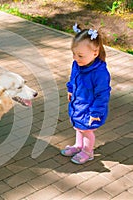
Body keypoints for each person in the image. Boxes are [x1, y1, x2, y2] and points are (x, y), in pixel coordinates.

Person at [60, 23, 111, 164]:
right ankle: (78, 146)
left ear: (95, 52)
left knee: (87, 131)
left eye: (80, 55)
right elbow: (72, 78)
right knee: (78, 126)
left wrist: (96, 113)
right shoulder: (77, 64)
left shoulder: (100, 73)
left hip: (91, 108)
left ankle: (88, 152)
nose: (76, 58)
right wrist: (70, 89)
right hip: (78, 104)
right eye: (74, 54)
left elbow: (103, 95)